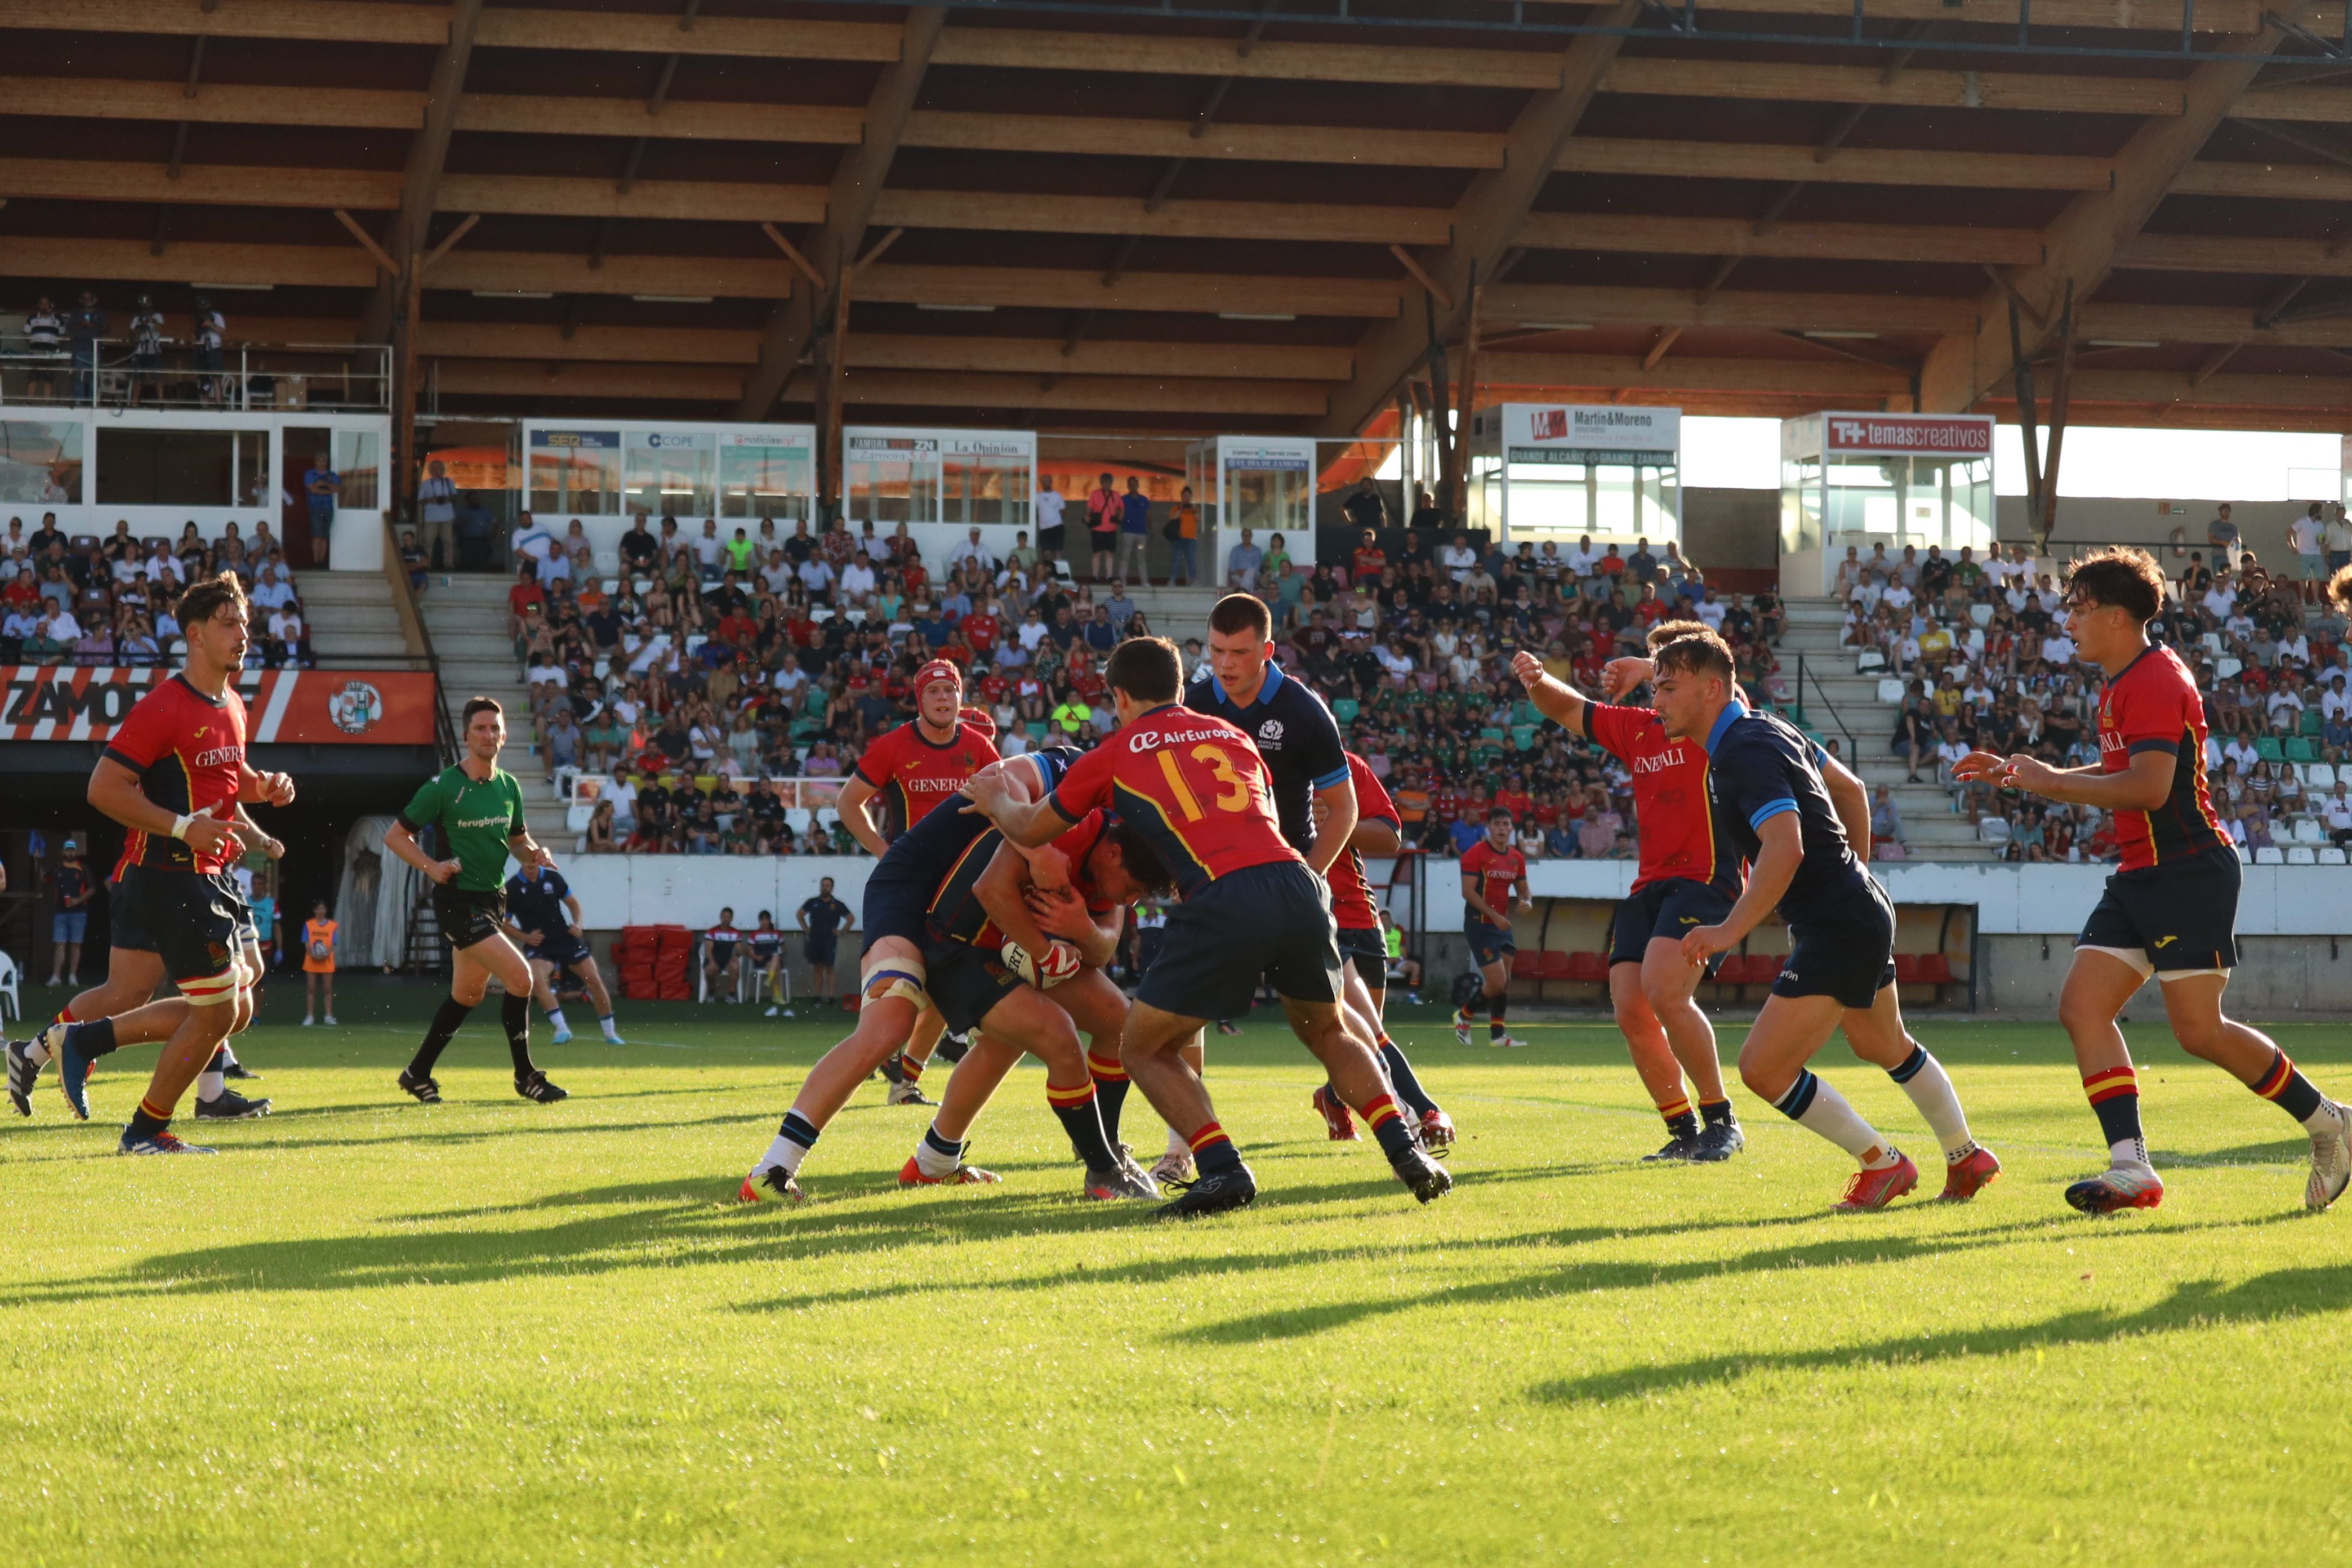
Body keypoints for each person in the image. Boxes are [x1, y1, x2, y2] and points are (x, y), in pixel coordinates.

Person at [961, 637, 1451, 1218]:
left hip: (1223, 894)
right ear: (1180, 687)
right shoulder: (1234, 735)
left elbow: (1035, 828)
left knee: (1139, 1044)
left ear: (1119, 696)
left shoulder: (1115, 752)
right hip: (1298, 882)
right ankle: (1407, 1151)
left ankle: (1222, 1169)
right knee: (1331, 1032)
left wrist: (996, 800)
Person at [1957, 548, 2352, 1214]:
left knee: (2199, 1032)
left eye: (2079, 609)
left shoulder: (2157, 679)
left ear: (2116, 617)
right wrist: (2029, 772)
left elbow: (2148, 786)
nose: (2069, 620)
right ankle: (2131, 1168)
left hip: (2188, 871)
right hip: (2144, 873)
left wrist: (2051, 782)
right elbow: (2123, 769)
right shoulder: (2123, 679)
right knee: (2082, 1009)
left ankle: (2330, 1123)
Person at [1642, 626, 1999, 1210]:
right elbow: (1852, 789)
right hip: (1854, 909)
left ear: (1711, 689)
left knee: (1763, 1068)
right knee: (1883, 1043)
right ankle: (1966, 1156)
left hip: (1838, 921)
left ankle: (1883, 1164)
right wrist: (1853, 873)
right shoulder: (1771, 729)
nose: (1656, 702)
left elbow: (1786, 846)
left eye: (1667, 687)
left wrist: (1728, 929)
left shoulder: (1741, 753)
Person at [14, 575, 292, 1152]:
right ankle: (144, 1125)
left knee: (227, 996)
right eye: (229, 623)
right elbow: (103, 788)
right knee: (220, 1010)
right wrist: (188, 827)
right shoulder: (165, 704)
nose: (244, 633)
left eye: (245, 622)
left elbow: (226, 775)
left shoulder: (232, 704)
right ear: (194, 635)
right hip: (171, 873)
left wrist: (264, 787)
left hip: (201, 872)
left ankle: (78, 1045)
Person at [1181, 593, 1446, 1177]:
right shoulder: (1195, 703)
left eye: (1240, 652)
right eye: (1217, 651)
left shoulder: (1304, 711)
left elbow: (1345, 809)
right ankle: (1183, 1150)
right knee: (1178, 1016)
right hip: (1220, 887)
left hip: (1290, 890)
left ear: (1267, 651)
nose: (1225, 664)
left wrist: (1309, 875)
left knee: (1351, 1022)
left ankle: (1405, 1143)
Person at [739, 747, 1073, 1204]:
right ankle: (773, 1168)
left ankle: (935, 1163)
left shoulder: (1120, 808)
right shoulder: (1071, 764)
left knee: (1016, 1028)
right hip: (910, 885)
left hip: (963, 915)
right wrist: (1037, 852)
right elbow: (1000, 780)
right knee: (888, 1024)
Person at [1512, 633, 1745, 1161]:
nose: (1657, 694)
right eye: (1657, 680)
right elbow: (1565, 706)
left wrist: (1644, 667)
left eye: (1668, 680)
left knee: (1664, 990)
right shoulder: (1638, 729)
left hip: (1708, 877)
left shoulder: (1715, 722)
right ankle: (1684, 1132)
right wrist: (1535, 678)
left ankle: (1721, 1120)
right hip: (1650, 883)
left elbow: (1734, 697)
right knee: (1630, 1008)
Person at [889, 801, 1170, 1199]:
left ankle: (934, 1163)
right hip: (958, 944)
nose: (1133, 900)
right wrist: (1044, 950)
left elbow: (1102, 949)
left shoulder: (1114, 847)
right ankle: (1104, 1171)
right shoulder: (1071, 827)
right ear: (1113, 853)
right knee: (1055, 1033)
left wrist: (1081, 929)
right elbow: (989, 888)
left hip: (1014, 946)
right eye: (1135, 888)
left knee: (1118, 1022)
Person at [382, 697, 568, 1105]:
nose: (488, 735)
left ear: (504, 736)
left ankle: (417, 1074)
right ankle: (527, 1077)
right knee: (521, 979)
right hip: (458, 902)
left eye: (494, 728)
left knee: (468, 995)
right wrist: (431, 867)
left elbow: (517, 841)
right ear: (466, 736)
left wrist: (535, 854)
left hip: (492, 899)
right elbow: (395, 836)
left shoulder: (509, 787)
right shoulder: (444, 786)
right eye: (480, 729)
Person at [836, 659, 999, 1104]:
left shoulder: (981, 748)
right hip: (909, 884)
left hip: (961, 884)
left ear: (960, 698)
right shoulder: (892, 746)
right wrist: (884, 852)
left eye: (951, 691)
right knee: (900, 981)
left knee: (944, 985)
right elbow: (849, 802)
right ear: (919, 698)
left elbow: (1003, 805)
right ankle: (874, 1062)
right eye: (934, 692)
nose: (943, 699)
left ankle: (903, 1081)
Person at [1309, 751, 1456, 1152]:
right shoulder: (1257, 771)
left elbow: (1391, 836)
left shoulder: (1345, 766)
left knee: (1359, 1041)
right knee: (1368, 1031)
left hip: (1360, 914)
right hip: (1313, 914)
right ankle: (1421, 1116)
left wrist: (1342, 818)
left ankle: (1333, 1098)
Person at [504, 862, 623, 1044]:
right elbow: (503, 923)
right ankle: (562, 1030)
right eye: (527, 861)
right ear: (521, 862)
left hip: (565, 938)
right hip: (540, 945)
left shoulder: (553, 878)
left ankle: (610, 1033)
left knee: (593, 979)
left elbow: (574, 904)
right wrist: (525, 937)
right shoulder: (512, 887)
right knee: (536, 981)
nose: (531, 865)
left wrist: (578, 924)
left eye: (534, 861)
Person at [1454, 808, 1530, 1049]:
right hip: (1480, 924)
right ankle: (1465, 1015)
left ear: (1511, 829)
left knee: (1504, 982)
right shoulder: (1475, 854)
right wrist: (1495, 916)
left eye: (1505, 824)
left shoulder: (1516, 858)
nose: (1501, 828)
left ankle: (1498, 1036)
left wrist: (1526, 901)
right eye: (1496, 823)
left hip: (1502, 924)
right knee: (1496, 982)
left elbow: (1524, 889)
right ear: (1489, 827)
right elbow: (1468, 892)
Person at [44, 838, 93, 987]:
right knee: (60, 944)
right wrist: (37, 860)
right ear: (63, 852)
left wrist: (78, 900)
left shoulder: (83, 869)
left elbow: (92, 889)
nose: (70, 853)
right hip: (60, 913)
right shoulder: (57, 869)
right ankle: (56, 976)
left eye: (72, 850)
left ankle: (72, 976)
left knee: (76, 945)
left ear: (76, 852)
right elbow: (44, 878)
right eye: (68, 850)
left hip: (79, 912)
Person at [797, 876, 852, 1004]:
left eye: (828, 886)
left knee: (829, 968)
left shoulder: (837, 904)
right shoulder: (812, 902)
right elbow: (800, 914)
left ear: (832, 888)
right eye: (823, 885)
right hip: (815, 940)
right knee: (817, 968)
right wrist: (806, 928)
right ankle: (817, 997)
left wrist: (841, 932)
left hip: (829, 940)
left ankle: (831, 997)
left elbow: (851, 918)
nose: (825, 888)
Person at [300, 901, 338, 1026]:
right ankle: (310, 1016)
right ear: (314, 911)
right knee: (311, 989)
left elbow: (333, 942)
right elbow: (306, 942)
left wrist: (326, 954)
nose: (321, 911)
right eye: (318, 909)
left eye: (323, 909)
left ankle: (328, 1015)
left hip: (326, 961)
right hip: (312, 961)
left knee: (327, 989)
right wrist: (313, 954)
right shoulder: (309, 925)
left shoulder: (332, 926)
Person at [418, 458, 458, 572]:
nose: (437, 470)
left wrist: (446, 499)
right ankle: (427, 564)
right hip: (431, 517)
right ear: (430, 470)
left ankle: (449, 564)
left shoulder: (449, 482)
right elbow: (420, 500)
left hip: (447, 516)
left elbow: (455, 497)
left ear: (443, 469)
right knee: (428, 542)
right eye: (434, 468)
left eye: (439, 468)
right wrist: (432, 500)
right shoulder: (425, 484)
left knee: (448, 542)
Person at [749, 911, 787, 1015]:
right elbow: (748, 950)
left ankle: (770, 979)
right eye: (762, 920)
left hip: (774, 960)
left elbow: (784, 948)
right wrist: (756, 957)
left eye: (766, 919)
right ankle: (776, 994)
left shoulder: (777, 934)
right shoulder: (755, 934)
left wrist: (781, 950)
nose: (764, 922)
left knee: (776, 957)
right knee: (777, 964)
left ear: (770, 921)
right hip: (761, 960)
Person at [1085, 471, 1120, 582]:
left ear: (1111, 483)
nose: (1107, 485)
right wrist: (1087, 516)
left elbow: (1122, 508)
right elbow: (1089, 508)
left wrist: (1119, 519)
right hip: (1098, 528)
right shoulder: (1095, 494)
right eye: (1104, 483)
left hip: (1111, 529)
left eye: (1109, 483)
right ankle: (1095, 576)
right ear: (1101, 483)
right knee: (1097, 553)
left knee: (1109, 554)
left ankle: (1109, 576)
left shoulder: (1116, 495)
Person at [704, 907, 744, 1001]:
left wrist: (736, 956)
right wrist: (712, 962)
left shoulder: (736, 933)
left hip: (728, 961)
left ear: (732, 919)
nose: (726, 919)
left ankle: (731, 995)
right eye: (724, 917)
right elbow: (708, 950)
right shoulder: (712, 931)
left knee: (735, 966)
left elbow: (739, 949)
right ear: (720, 918)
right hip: (715, 959)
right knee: (710, 970)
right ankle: (711, 992)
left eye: (728, 917)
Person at [1168, 484, 1200, 586]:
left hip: (1191, 539)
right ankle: (1173, 580)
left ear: (1191, 497)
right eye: (1185, 496)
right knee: (1177, 559)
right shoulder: (1177, 507)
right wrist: (1180, 510)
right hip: (1179, 538)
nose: (1187, 499)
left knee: (1191, 560)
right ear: (1182, 497)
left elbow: (1199, 520)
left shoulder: (1195, 509)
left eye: (1188, 496)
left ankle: (1194, 581)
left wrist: (1194, 511)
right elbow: (1172, 518)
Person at [1034, 476, 1066, 571]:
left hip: (1057, 527)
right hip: (1044, 529)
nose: (1046, 483)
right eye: (1043, 482)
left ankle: (1058, 572)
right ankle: (1048, 572)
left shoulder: (1057, 496)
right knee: (1046, 553)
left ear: (1051, 482)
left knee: (1058, 551)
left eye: (1047, 481)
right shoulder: (1037, 496)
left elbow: (1063, 511)